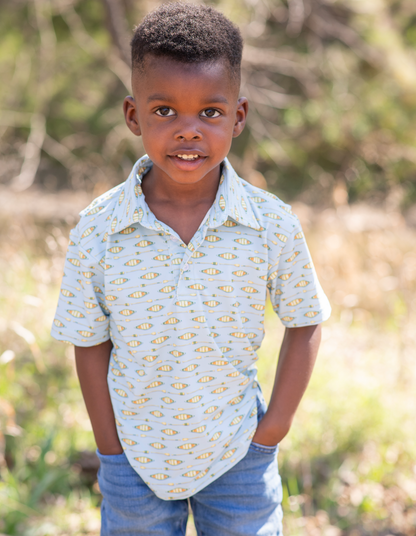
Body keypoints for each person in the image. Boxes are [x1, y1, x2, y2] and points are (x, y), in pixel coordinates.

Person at [52, 3, 331, 535]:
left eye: (209, 112)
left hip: (239, 458)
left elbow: (305, 321)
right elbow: (88, 341)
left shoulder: (269, 223)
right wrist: (109, 448)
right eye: (164, 112)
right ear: (133, 116)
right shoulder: (100, 227)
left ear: (238, 117)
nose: (188, 131)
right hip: (133, 459)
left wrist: (272, 430)